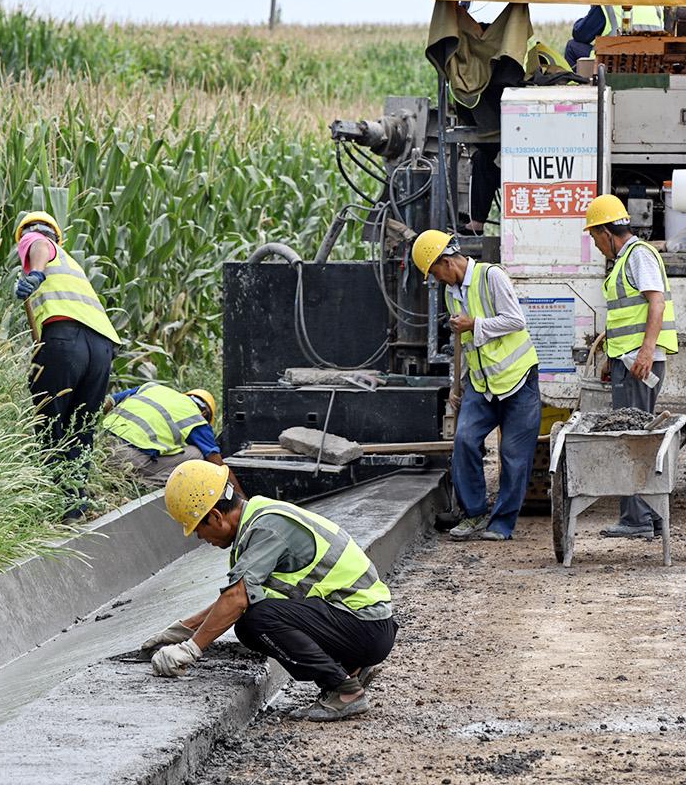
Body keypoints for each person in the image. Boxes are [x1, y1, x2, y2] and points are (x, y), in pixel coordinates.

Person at [143, 460, 397, 723]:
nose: (200, 538)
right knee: (251, 617)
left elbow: (237, 598)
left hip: (365, 627)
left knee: (256, 621)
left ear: (216, 517)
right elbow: (241, 594)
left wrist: (190, 649)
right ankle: (351, 667)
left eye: (198, 529)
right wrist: (185, 629)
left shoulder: (266, 529)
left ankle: (345, 692)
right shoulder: (261, 518)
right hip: (365, 625)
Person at [410, 230, 540, 541]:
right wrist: (457, 385)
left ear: (446, 262)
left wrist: (475, 324)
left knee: (513, 454)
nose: (437, 280)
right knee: (465, 441)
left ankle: (502, 524)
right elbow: (464, 344)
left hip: (518, 380)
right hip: (481, 385)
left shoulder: (491, 276)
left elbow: (516, 320)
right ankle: (475, 514)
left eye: (435, 273)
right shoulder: (451, 293)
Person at [13, 210, 122, 522]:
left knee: (50, 421)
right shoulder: (71, 264)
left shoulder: (35, 242)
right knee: (81, 426)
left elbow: (38, 245)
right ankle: (76, 502)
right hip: (101, 347)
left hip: (66, 340)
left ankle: (55, 503)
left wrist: (34, 274)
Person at [583, 194, 679, 539]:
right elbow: (626, 316)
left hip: (638, 363)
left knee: (631, 437)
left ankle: (636, 519)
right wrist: (611, 357)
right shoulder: (626, 260)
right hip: (629, 361)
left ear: (607, 232)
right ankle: (650, 516)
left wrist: (646, 352)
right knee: (640, 435)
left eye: (595, 237)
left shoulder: (638, 255)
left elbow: (656, 303)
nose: (596, 246)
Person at [103, 384, 224, 484]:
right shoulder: (196, 418)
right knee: (198, 455)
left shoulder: (151, 387)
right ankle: (143, 483)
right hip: (128, 459)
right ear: (204, 413)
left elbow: (108, 402)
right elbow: (215, 462)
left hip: (102, 445)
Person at [564, 4, 666, 69]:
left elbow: (580, 35)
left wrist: (591, 11)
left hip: (613, 63)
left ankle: (579, 86)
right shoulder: (655, 5)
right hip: (651, 63)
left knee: (571, 46)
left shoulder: (608, 4)